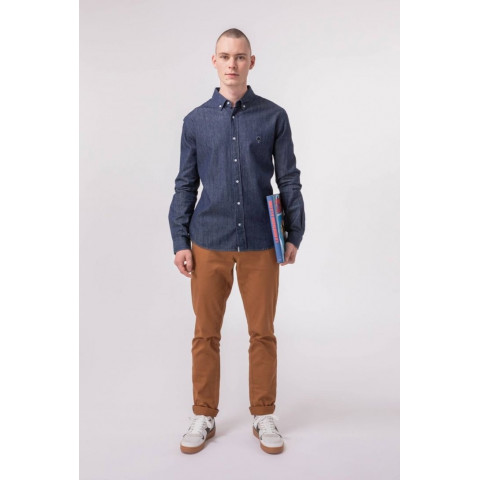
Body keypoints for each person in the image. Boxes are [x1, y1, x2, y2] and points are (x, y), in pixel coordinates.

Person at [168, 28, 305, 455]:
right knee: (205, 333)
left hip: (261, 242)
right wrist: (180, 240)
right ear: (214, 61)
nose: (232, 64)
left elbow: (288, 178)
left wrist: (295, 233)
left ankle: (263, 414)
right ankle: (203, 414)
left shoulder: (273, 116)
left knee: (262, 333)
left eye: (240, 56)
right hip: (207, 240)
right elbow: (185, 185)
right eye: (225, 56)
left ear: (251, 62)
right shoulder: (195, 121)